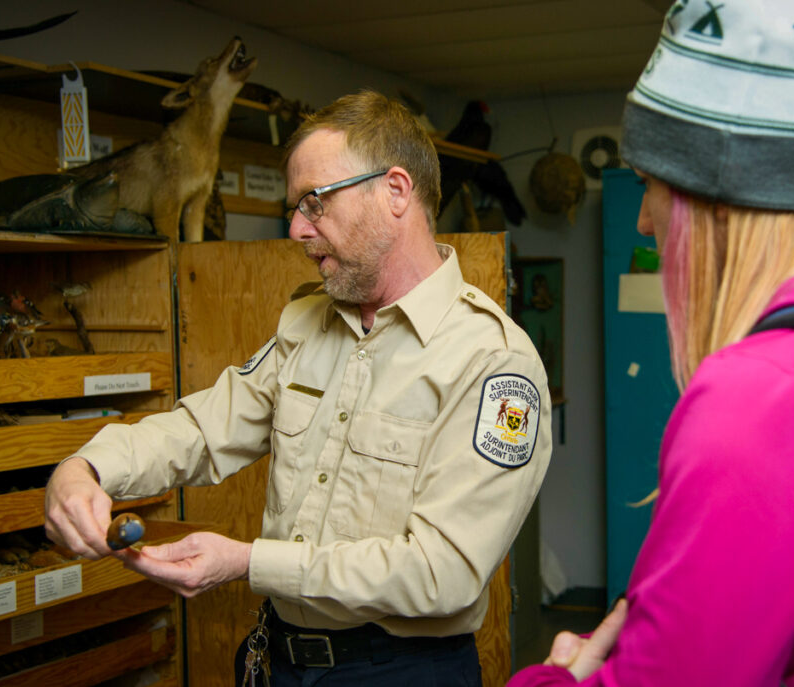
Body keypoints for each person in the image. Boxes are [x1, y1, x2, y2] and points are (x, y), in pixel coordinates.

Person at [45, 89, 552, 685]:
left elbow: (441, 573)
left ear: (394, 191)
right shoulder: (306, 322)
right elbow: (204, 430)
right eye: (295, 207)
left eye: (314, 202)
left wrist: (247, 562)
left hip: (401, 672)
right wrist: (86, 469)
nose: (294, 228)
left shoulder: (494, 362)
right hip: (280, 661)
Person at [508, 0, 794, 685]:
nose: (641, 221)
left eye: (654, 185)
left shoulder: (769, 396)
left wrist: (559, 676)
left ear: (715, 190)